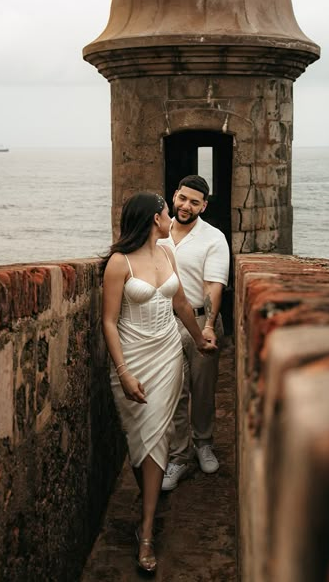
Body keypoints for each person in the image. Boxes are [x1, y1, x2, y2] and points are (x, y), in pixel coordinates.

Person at [101, 192, 215, 574]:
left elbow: (181, 303)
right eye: (167, 209)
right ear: (155, 218)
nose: (172, 214)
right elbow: (108, 321)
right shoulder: (119, 263)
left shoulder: (167, 254)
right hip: (132, 357)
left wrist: (199, 340)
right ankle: (148, 497)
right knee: (139, 438)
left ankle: (146, 531)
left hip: (167, 353)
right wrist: (123, 371)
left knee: (159, 434)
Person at [159, 175, 230, 491]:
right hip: (164, 324)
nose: (186, 206)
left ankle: (203, 444)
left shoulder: (213, 238)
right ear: (174, 196)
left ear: (204, 205)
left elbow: (213, 285)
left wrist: (210, 326)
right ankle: (178, 457)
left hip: (201, 321)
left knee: (202, 389)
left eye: (195, 202)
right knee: (173, 393)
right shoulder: (157, 234)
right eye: (183, 199)